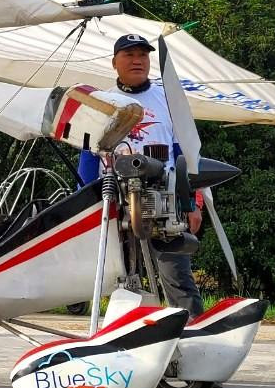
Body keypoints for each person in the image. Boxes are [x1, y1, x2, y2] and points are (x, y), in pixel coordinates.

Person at [79, 33, 204, 314]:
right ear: (114, 63)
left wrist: (193, 201)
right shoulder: (102, 102)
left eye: (143, 55)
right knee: (119, 276)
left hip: (164, 201)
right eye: (129, 55)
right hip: (115, 200)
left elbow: (185, 154)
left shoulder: (169, 99)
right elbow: (88, 158)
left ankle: (193, 331)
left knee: (177, 276)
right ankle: (123, 331)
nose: (137, 61)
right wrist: (86, 205)